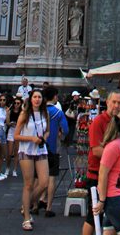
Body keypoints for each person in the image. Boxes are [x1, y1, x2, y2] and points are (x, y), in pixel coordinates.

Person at [81, 90, 120, 235]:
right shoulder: (99, 122)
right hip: (96, 175)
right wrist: (116, 156)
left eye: (119, 103)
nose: (116, 106)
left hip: (112, 176)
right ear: (107, 103)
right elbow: (96, 150)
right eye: (114, 102)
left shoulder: (119, 124)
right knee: (94, 216)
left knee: (109, 217)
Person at [15, 88, 50, 231]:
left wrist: (44, 138)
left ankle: (26, 204)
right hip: (27, 150)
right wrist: (31, 138)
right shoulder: (25, 114)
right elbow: (16, 135)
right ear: (31, 99)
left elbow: (47, 130)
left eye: (39, 97)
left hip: (41, 149)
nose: (37, 99)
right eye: (35, 97)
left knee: (44, 182)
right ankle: (26, 218)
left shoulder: (44, 113)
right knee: (28, 184)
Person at [43, 84, 69, 216]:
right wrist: (60, 133)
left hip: (39, 148)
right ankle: (48, 207)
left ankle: (36, 204)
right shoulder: (58, 112)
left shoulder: (38, 111)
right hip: (53, 148)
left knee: (39, 177)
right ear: (54, 97)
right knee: (52, 178)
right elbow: (66, 129)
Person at [7, 95, 23, 177]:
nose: (16, 104)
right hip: (11, 130)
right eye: (15, 103)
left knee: (17, 152)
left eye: (18, 103)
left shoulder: (22, 112)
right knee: (9, 152)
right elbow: (7, 122)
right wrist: (10, 123)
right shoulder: (10, 111)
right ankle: (7, 168)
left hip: (18, 131)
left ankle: (15, 169)